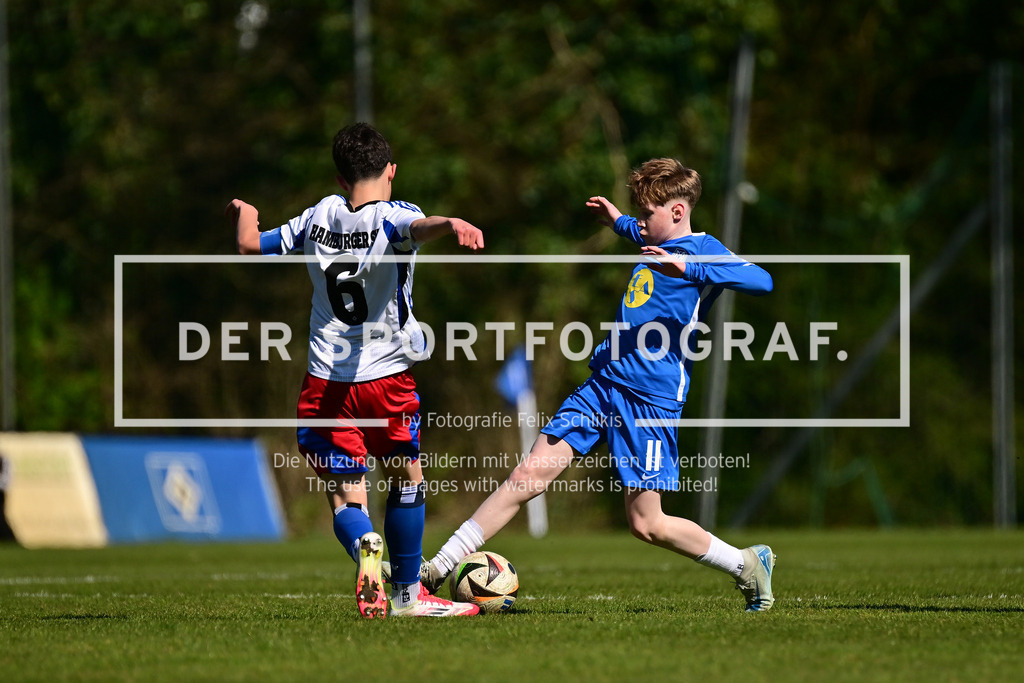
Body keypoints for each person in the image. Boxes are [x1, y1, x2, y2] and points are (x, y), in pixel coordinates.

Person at [420, 158, 778, 612]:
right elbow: (642, 231)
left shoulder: (702, 252)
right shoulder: (652, 235)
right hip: (603, 383)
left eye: (648, 214)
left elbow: (761, 280)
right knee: (528, 474)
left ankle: (747, 563)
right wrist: (618, 222)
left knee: (647, 523)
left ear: (678, 211)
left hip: (650, 400)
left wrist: (687, 271)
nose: (641, 224)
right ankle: (437, 566)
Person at [226, 122, 482, 618]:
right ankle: (408, 596)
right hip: (387, 378)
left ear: (341, 179)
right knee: (407, 481)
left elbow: (249, 245)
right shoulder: (394, 215)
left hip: (326, 383)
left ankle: (366, 542)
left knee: (346, 498)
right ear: (391, 170)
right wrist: (450, 223)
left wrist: (247, 212)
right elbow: (415, 228)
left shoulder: (316, 216)